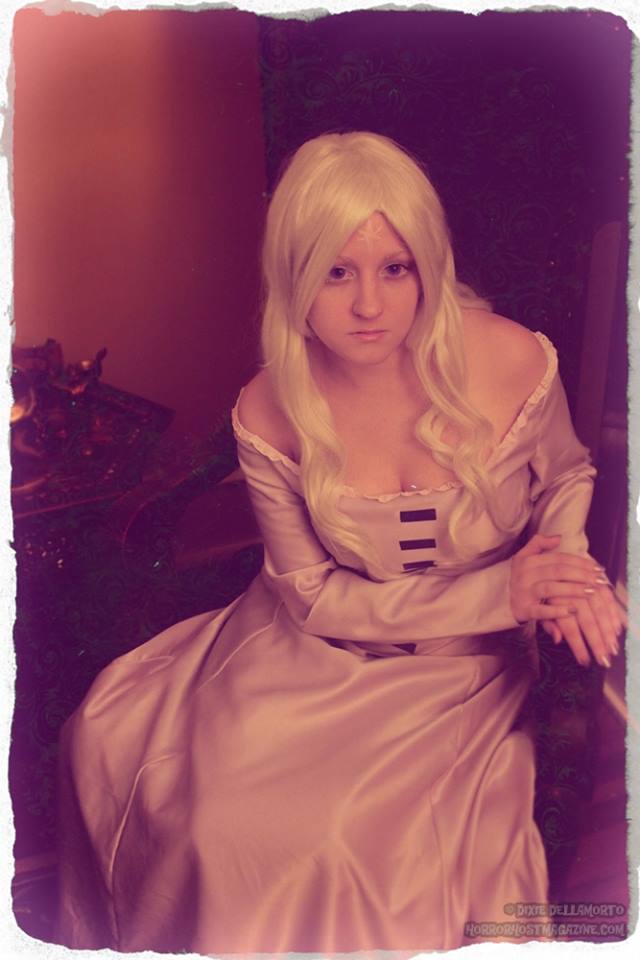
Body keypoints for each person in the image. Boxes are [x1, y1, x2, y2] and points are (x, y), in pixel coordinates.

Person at [54, 131, 623, 954]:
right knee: (200, 809)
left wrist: (566, 564)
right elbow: (313, 597)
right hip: (314, 648)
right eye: (336, 272)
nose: (369, 307)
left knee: (340, 844)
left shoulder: (511, 358)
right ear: (295, 276)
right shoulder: (267, 407)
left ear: (427, 265)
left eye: (395, 268)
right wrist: (500, 593)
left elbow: (568, 471)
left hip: (468, 665)